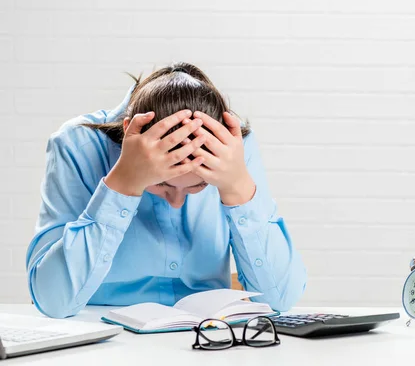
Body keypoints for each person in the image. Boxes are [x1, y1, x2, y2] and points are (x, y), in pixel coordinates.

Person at [25, 62, 307, 319]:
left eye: (199, 186)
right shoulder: (76, 146)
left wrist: (237, 188)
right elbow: (53, 301)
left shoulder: (233, 149)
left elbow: (280, 299)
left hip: (206, 334)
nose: (177, 202)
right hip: (98, 329)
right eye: (161, 184)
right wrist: (123, 184)